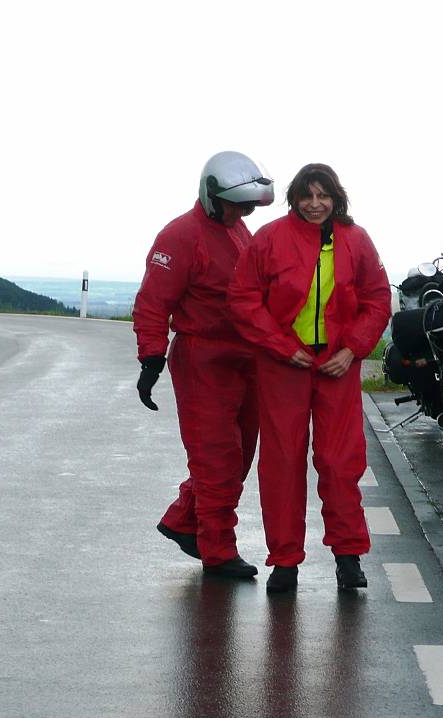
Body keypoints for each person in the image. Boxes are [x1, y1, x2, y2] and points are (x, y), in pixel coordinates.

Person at [227, 163, 391, 593]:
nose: (315, 204)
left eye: (323, 196)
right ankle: (285, 561)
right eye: (306, 195)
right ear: (294, 199)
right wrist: (283, 348)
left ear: (337, 198)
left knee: (340, 462)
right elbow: (243, 298)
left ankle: (348, 557)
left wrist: (352, 349)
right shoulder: (271, 238)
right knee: (282, 463)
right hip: (284, 366)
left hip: (337, 365)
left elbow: (377, 298)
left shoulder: (356, 240)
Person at [132, 150, 274, 579]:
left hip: (244, 359)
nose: (244, 211)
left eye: (249, 205)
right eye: (238, 204)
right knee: (217, 459)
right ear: (212, 194)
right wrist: (151, 359)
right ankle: (218, 550)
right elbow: (153, 303)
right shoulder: (180, 236)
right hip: (202, 359)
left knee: (241, 455)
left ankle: (182, 521)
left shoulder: (238, 231)